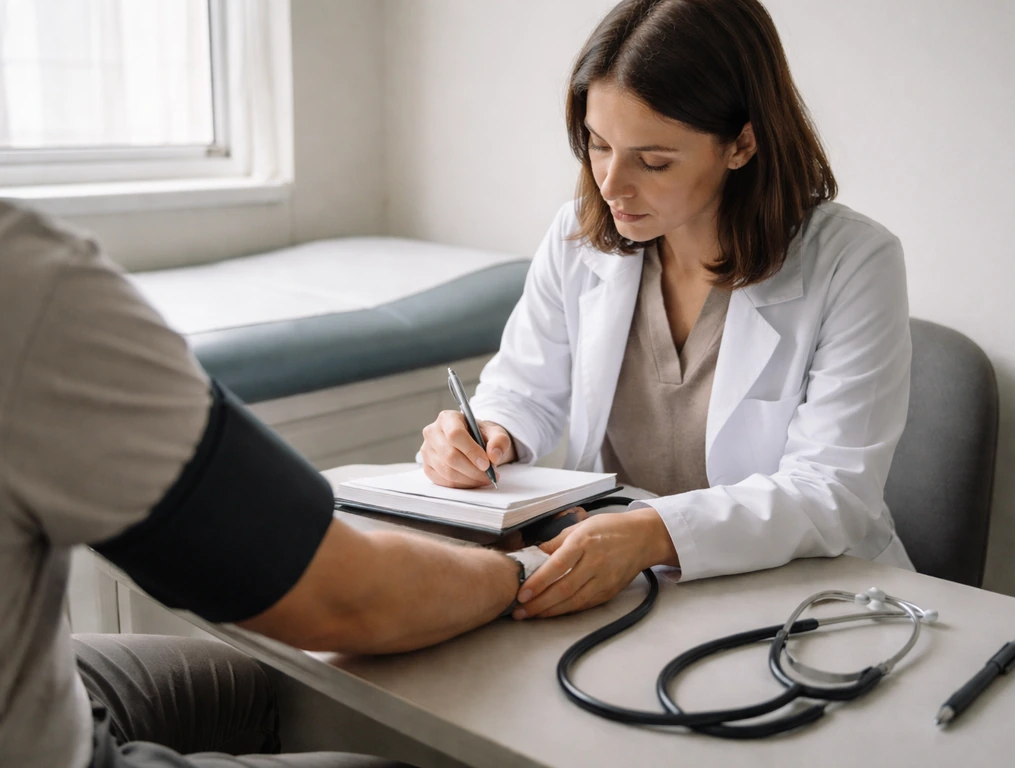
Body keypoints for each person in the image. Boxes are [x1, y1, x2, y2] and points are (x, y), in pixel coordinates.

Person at [0, 198, 546, 767]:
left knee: (248, 686)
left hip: (55, 674)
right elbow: (344, 598)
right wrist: (522, 570)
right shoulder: (27, 281)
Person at [419, 0, 916, 621]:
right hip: (630, 586)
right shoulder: (579, 236)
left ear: (741, 143)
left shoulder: (854, 261)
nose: (611, 185)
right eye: (598, 146)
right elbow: (524, 387)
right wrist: (484, 432)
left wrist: (655, 531)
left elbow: (832, 491)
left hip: (803, 594)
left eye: (653, 161)